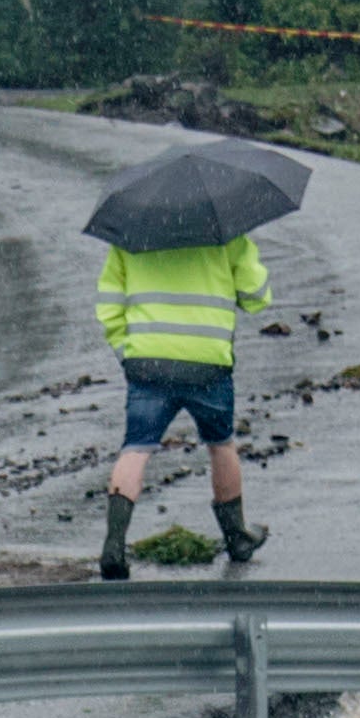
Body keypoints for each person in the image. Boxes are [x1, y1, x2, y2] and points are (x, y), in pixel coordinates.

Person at [93, 226, 266, 580]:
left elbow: (109, 305)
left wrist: (127, 354)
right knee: (220, 444)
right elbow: (256, 296)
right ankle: (237, 537)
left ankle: (114, 545)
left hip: (149, 362)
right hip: (207, 362)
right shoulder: (225, 232)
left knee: (136, 449)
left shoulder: (131, 234)